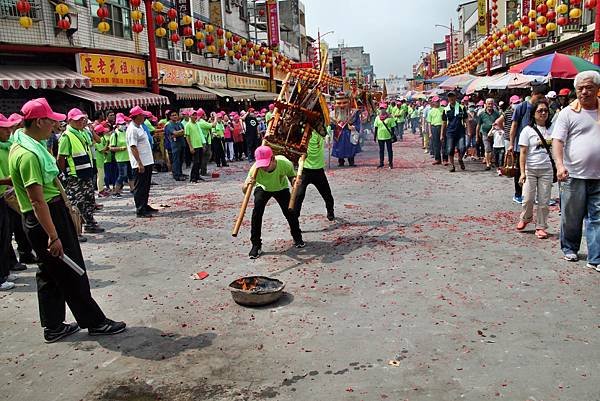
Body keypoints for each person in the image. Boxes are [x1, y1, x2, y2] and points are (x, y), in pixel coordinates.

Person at [9, 98, 125, 342]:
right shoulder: (28, 154)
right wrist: (53, 235)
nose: (54, 126)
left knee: (49, 273)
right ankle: (95, 322)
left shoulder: (25, 143)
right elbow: (37, 200)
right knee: (73, 270)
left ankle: (53, 326)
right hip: (45, 216)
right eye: (51, 121)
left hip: (46, 214)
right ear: (39, 121)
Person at [551, 71, 600, 269]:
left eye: (589, 88)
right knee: (572, 216)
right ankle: (570, 248)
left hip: (598, 175)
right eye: (580, 89)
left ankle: (596, 257)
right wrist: (560, 165)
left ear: (597, 89)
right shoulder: (568, 113)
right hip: (573, 174)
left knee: (598, 217)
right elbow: (557, 141)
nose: (585, 92)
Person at [243, 146, 304, 259]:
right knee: (257, 213)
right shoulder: (254, 169)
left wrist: (294, 181)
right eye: (261, 164)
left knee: (290, 212)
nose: (263, 167)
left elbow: (291, 176)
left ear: (273, 159)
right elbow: (244, 191)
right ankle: (256, 245)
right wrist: (247, 184)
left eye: (266, 164)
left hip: (281, 187)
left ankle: (297, 237)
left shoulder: (285, 163)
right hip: (263, 188)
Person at [57, 108, 104, 234]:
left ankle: (89, 223)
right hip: (74, 175)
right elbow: (61, 157)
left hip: (85, 172)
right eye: (77, 120)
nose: (80, 122)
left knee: (89, 199)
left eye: (82, 119)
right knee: (76, 202)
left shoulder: (82, 133)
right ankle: (76, 229)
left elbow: (95, 142)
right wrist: (63, 175)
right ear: (70, 120)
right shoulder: (67, 136)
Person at [516, 100, 554, 239]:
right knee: (527, 199)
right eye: (540, 111)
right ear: (533, 114)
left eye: (545, 110)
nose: (543, 113)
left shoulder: (553, 129)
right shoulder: (527, 130)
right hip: (530, 169)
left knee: (544, 201)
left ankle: (541, 226)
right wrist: (522, 173)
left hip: (546, 170)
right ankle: (526, 218)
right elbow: (523, 153)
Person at [509, 85, 548, 204]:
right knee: (519, 170)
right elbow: (514, 126)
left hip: (535, 144)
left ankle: (533, 194)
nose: (540, 99)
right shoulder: (522, 107)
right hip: (520, 145)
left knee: (533, 168)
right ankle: (518, 194)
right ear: (533, 95)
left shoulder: (540, 108)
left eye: (542, 97)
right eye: (539, 97)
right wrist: (511, 144)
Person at [293, 129, 335, 221]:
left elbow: (327, 129)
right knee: (299, 195)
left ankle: (330, 211)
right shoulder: (302, 131)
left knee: (327, 195)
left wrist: (328, 138)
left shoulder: (321, 130)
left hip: (318, 170)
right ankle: (295, 219)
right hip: (304, 169)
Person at [126, 106, 156, 218]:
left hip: (147, 160)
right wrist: (139, 162)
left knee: (146, 185)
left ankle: (145, 205)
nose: (144, 117)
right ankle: (140, 209)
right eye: (142, 115)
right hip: (140, 162)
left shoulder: (140, 127)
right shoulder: (132, 129)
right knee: (140, 186)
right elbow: (133, 147)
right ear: (137, 116)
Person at [331, 92, 361, 167]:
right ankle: (341, 161)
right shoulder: (332, 114)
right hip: (339, 134)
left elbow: (358, 123)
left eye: (344, 103)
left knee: (350, 147)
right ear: (335, 103)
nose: (341, 105)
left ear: (349, 102)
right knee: (339, 148)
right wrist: (331, 126)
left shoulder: (354, 113)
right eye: (339, 103)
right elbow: (330, 126)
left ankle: (351, 161)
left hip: (349, 133)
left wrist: (354, 127)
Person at [109, 114, 134, 198]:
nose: (123, 125)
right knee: (122, 175)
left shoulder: (125, 132)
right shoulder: (114, 135)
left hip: (129, 157)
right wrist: (120, 148)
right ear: (117, 125)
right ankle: (116, 191)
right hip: (120, 158)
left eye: (124, 123)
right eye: (121, 124)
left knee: (131, 174)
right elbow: (111, 148)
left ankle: (133, 189)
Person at [442, 92, 467, 172]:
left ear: (455, 97)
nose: (451, 98)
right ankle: (452, 165)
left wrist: (469, 131)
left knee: (462, 148)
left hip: (460, 131)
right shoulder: (446, 109)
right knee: (450, 149)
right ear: (448, 99)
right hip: (450, 132)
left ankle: (460, 159)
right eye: (450, 97)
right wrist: (442, 134)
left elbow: (466, 119)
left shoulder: (462, 107)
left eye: (453, 96)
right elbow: (444, 123)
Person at [476, 98, 501, 171]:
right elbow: (478, 125)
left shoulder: (497, 113)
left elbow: (500, 122)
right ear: (486, 105)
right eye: (488, 104)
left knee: (494, 148)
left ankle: (491, 160)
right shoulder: (482, 114)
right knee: (487, 148)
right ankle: (488, 164)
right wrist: (477, 135)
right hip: (485, 133)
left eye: (491, 104)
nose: (490, 105)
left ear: (493, 104)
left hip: (494, 133)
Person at [164, 111, 186, 181]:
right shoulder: (169, 125)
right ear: (170, 117)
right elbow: (174, 133)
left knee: (181, 160)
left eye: (175, 115)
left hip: (182, 143)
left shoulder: (180, 124)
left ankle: (180, 173)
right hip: (175, 145)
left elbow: (184, 131)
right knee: (176, 161)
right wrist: (180, 132)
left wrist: (179, 133)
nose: (175, 116)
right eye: (173, 115)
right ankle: (176, 175)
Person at [184, 110, 205, 183]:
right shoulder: (188, 125)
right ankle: (193, 177)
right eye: (193, 115)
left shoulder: (196, 124)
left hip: (199, 145)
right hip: (194, 146)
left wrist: (202, 144)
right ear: (190, 116)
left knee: (200, 162)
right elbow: (187, 136)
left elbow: (199, 134)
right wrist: (190, 147)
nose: (195, 117)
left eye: (196, 115)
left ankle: (197, 175)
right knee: (196, 162)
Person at [373, 103, 395, 169]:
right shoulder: (377, 118)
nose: (382, 110)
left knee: (389, 150)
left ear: (386, 109)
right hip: (380, 136)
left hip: (388, 136)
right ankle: (381, 163)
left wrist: (392, 135)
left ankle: (390, 163)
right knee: (381, 150)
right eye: (381, 109)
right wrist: (375, 136)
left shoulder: (390, 117)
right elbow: (376, 127)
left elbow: (393, 127)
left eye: (383, 108)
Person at [427, 97, 446, 165]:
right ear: (433, 102)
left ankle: (445, 159)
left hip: (442, 127)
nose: (437, 102)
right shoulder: (431, 111)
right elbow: (429, 122)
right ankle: (437, 159)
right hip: (434, 127)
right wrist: (430, 132)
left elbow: (445, 120)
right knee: (436, 144)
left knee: (443, 144)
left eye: (438, 101)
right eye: (436, 101)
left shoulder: (443, 109)